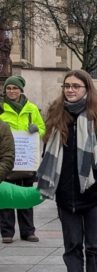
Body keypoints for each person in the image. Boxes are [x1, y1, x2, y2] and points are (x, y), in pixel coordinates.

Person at [37, 71, 97, 272]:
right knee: (72, 246)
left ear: (87, 88)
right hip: (66, 194)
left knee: (93, 245)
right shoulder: (56, 114)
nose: (70, 90)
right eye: (67, 86)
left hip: (94, 194)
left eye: (76, 86)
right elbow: (48, 154)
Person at [0, 75, 45, 243]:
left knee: (26, 195)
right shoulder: (1, 108)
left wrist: (36, 130)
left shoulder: (31, 108)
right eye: (9, 88)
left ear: (21, 90)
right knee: (5, 197)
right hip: (5, 159)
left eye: (15, 88)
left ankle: (28, 231)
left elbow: (42, 128)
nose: (11, 91)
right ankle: (7, 232)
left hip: (25, 160)